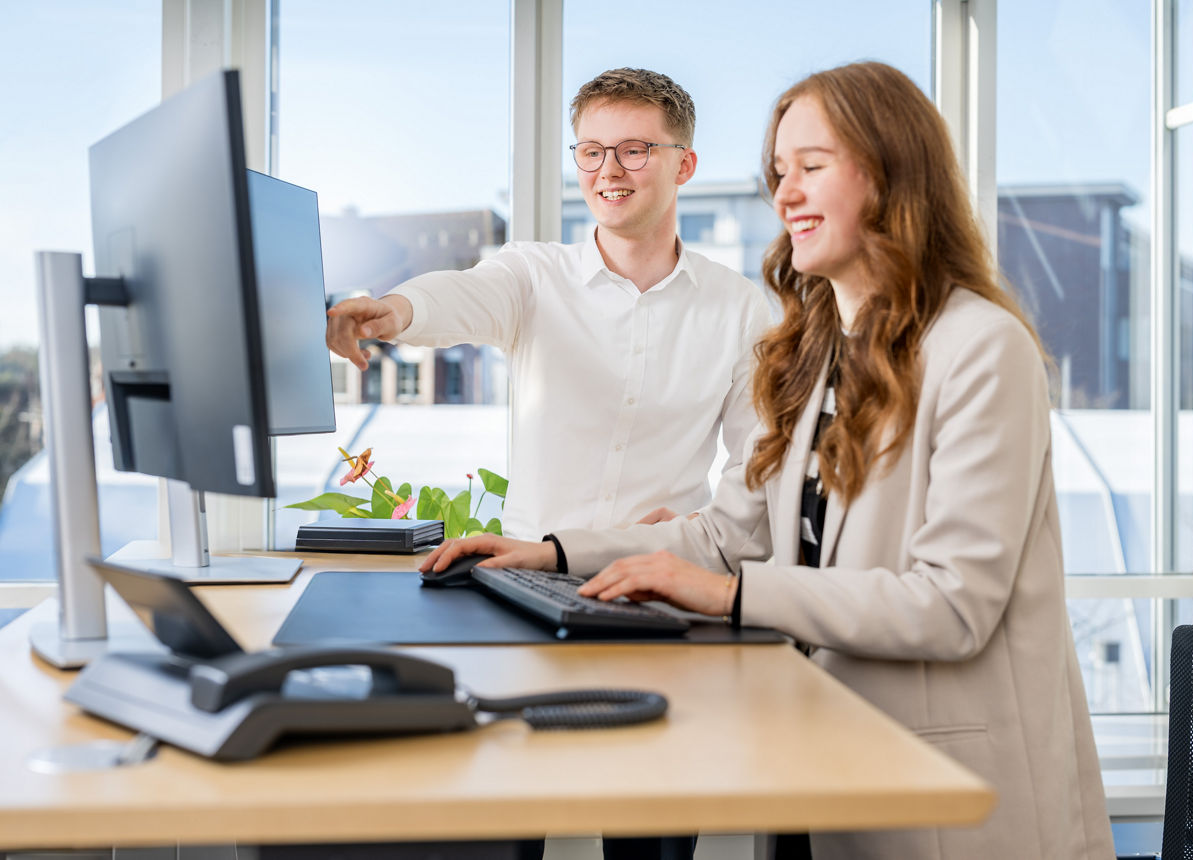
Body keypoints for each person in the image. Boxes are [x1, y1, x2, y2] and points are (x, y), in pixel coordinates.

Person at [422, 61, 1116, 860]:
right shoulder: (819, 356)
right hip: (819, 755)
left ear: (893, 176)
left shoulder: (982, 350)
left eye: (812, 168)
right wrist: (550, 554)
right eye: (779, 172)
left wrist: (725, 595)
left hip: (942, 783)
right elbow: (730, 534)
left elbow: (953, 605)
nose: (784, 194)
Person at [325, 67, 772, 541]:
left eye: (634, 151)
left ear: (684, 165)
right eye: (592, 152)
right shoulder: (533, 274)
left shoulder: (738, 306)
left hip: (658, 577)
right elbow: (466, 293)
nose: (609, 170)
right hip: (528, 570)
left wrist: (703, 529)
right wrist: (398, 309)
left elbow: (758, 461)